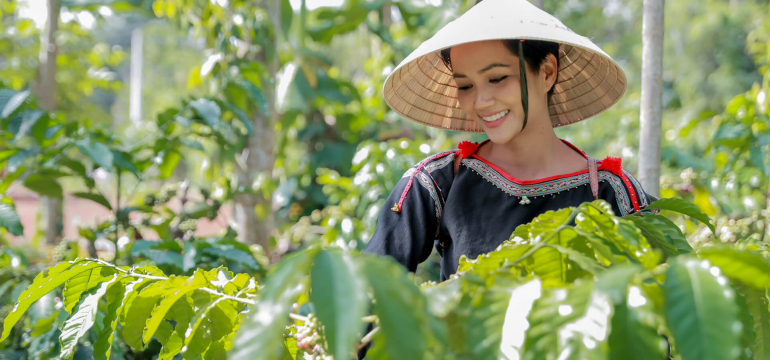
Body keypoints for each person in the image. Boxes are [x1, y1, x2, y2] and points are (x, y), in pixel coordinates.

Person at [363, 0, 650, 283]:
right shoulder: (438, 182)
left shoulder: (611, 192)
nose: (481, 101)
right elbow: (370, 290)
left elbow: (654, 297)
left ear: (547, 72)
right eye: (465, 85)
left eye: (498, 78)